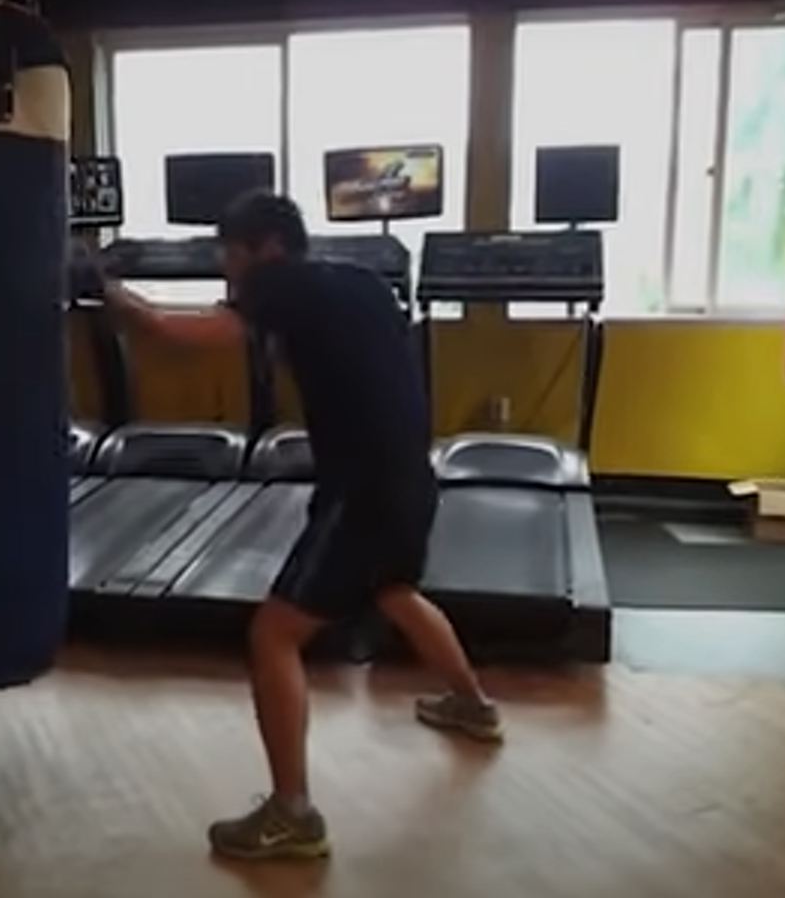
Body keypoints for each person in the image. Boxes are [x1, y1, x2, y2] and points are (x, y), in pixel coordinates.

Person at [103, 192, 502, 861]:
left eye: (232, 254)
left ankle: (292, 814)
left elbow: (181, 336)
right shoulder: (361, 281)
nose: (228, 269)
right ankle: (473, 706)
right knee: (394, 590)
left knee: (273, 635)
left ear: (267, 248)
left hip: (362, 490)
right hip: (410, 476)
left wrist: (111, 295)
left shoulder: (279, 282)